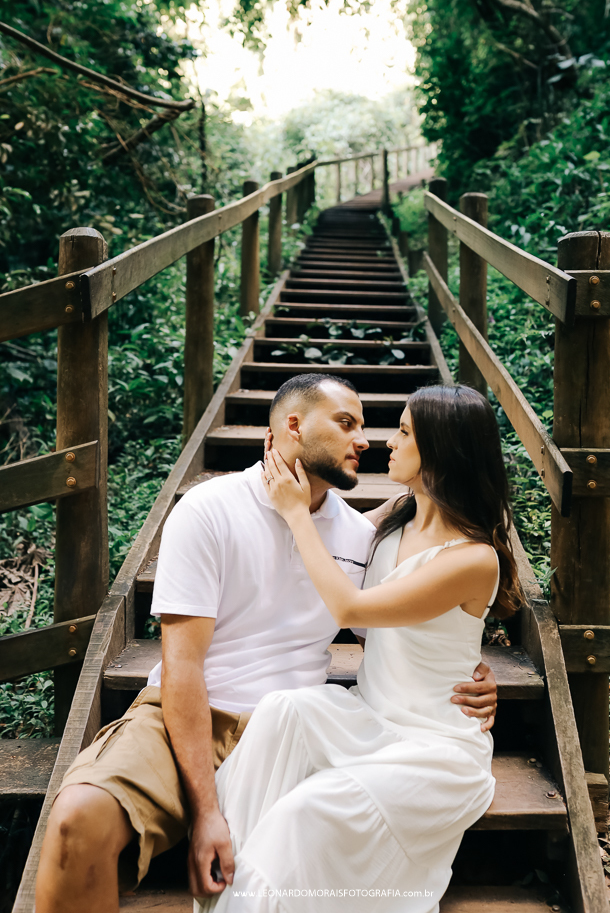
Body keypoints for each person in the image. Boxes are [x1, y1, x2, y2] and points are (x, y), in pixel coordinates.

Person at [34, 374, 498, 913]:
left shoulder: (361, 534)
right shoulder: (210, 508)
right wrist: (206, 811)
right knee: (75, 819)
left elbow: (413, 619)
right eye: (348, 424)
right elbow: (181, 664)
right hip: (195, 715)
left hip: (298, 730)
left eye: (387, 429)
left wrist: (472, 672)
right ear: (292, 427)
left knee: (302, 822)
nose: (370, 441)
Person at [197, 384, 523, 913]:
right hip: (372, 717)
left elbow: (350, 609)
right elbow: (334, 541)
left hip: (433, 745)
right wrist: (285, 493)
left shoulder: (475, 559)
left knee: (307, 810)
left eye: (403, 431)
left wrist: (295, 512)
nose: (384, 442)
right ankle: (227, 878)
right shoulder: (401, 509)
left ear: (441, 448)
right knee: (284, 711)